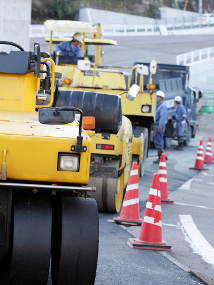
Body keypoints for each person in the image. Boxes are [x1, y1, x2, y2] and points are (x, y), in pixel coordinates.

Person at [153, 90, 168, 163]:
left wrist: (160, 127)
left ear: (161, 98)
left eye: (157, 97)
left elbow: (163, 117)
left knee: (159, 141)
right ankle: (163, 156)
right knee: (157, 141)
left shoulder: (162, 106)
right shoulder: (157, 105)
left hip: (159, 126)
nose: (156, 98)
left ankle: (160, 158)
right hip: (156, 125)